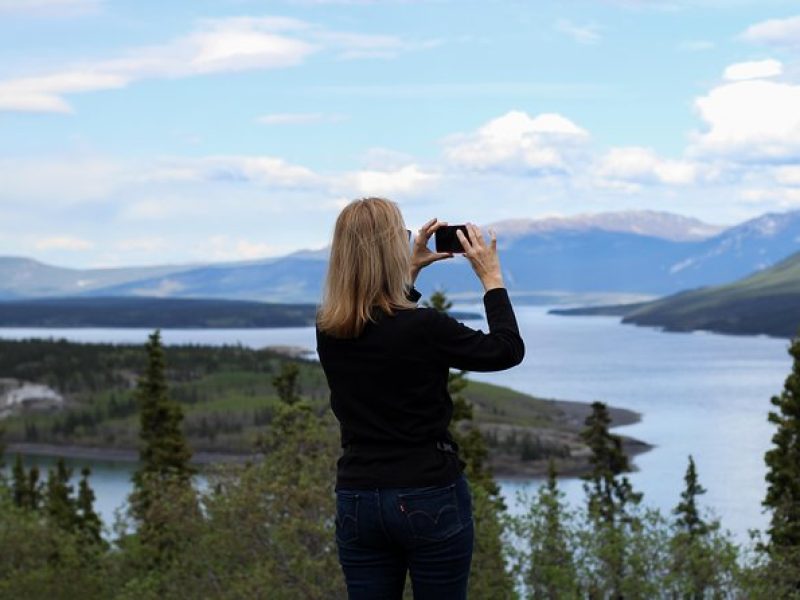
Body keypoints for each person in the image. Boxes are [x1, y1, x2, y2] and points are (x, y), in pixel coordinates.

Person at [315, 197, 524, 599]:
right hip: (428, 493)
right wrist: (492, 279)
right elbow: (506, 350)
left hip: (358, 499)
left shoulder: (329, 328)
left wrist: (407, 271)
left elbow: (380, 322)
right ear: (390, 249)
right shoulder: (425, 327)